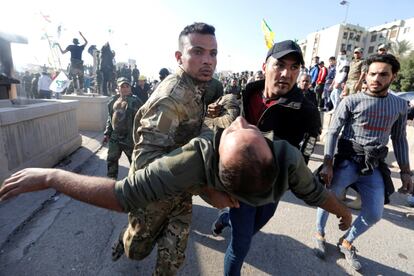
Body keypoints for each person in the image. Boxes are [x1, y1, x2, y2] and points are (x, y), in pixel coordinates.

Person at [0, 118, 353, 264]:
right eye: (243, 126)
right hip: (200, 188)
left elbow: (316, 194)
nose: (242, 120)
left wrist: (343, 212)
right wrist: (51, 177)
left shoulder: (284, 156)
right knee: (140, 248)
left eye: (243, 130)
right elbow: (123, 195)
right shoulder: (196, 160)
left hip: (233, 196)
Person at [112, 22, 239, 275]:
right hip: (152, 193)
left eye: (213, 53)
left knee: (172, 259)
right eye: (198, 51)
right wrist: (204, 188)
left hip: (179, 191)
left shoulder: (198, 86)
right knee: (136, 250)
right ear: (179, 57)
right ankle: (127, 236)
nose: (208, 60)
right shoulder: (171, 98)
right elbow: (147, 163)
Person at [212, 40, 322, 276]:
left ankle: (225, 220)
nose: (286, 73)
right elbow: (222, 130)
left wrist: (294, 176)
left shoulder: (306, 110)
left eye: (294, 67)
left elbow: (308, 148)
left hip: (273, 187)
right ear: (265, 66)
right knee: (241, 245)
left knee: (253, 227)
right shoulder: (246, 93)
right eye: (280, 65)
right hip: (240, 183)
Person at [314, 54, 413, 271]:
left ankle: (347, 241)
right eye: (373, 73)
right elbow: (332, 131)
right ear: (365, 75)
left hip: (374, 165)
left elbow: (399, 138)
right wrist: (328, 163)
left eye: (383, 74)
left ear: (393, 76)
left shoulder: (399, 105)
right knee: (327, 196)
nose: (377, 78)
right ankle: (319, 233)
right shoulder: (351, 101)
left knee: (375, 213)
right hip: (348, 160)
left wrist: (406, 171)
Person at [103, 77, 143, 179]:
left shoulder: (136, 101)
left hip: (129, 138)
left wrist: (141, 137)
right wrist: (107, 132)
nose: (125, 89)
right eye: (122, 86)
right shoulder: (112, 101)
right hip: (115, 137)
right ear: (118, 88)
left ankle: (136, 184)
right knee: (111, 159)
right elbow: (110, 117)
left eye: (127, 86)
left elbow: (143, 118)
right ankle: (110, 181)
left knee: (134, 162)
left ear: (130, 88)